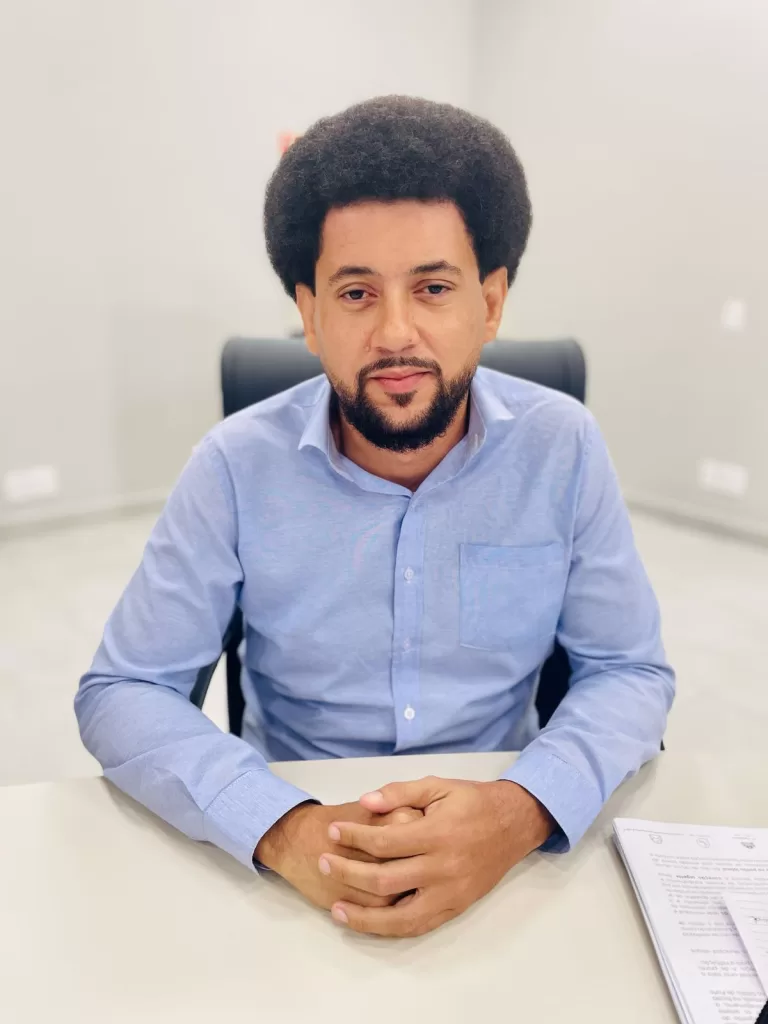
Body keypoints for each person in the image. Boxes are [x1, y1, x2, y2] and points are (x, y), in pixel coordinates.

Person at [76, 95, 675, 938]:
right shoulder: (234, 466)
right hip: (294, 856)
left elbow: (630, 671)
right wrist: (282, 827)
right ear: (310, 314)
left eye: (434, 288)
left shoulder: (563, 448)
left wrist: (521, 809)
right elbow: (124, 690)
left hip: (509, 850)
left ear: (491, 302)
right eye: (356, 292)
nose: (396, 333)